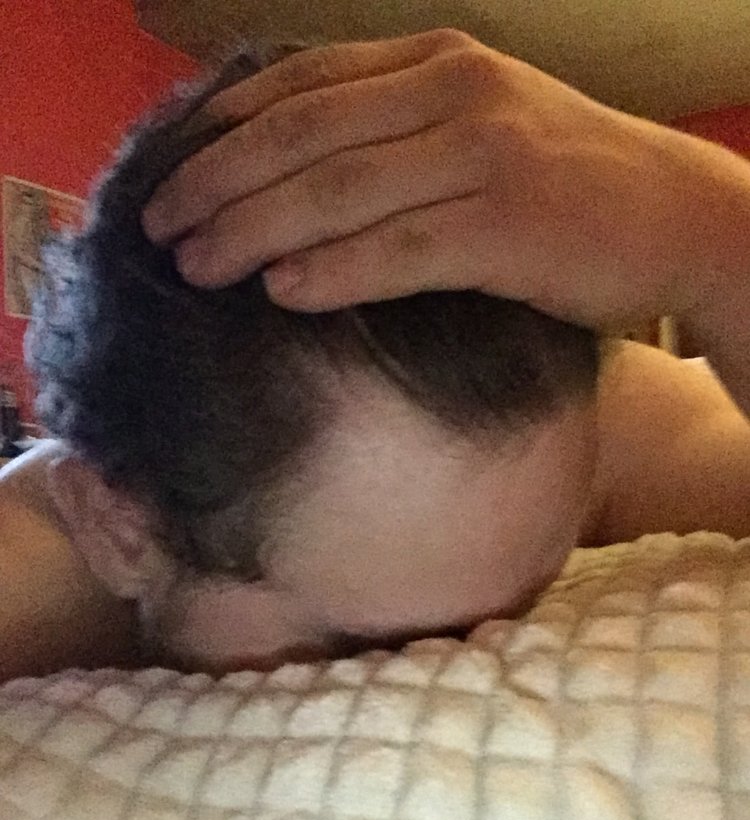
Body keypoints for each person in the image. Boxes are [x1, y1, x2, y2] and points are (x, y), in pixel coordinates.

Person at [1, 30, 749, 677]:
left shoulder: (568, 428)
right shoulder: (29, 577)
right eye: (371, 649)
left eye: (531, 599)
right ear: (120, 531)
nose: (458, 688)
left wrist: (711, 227)